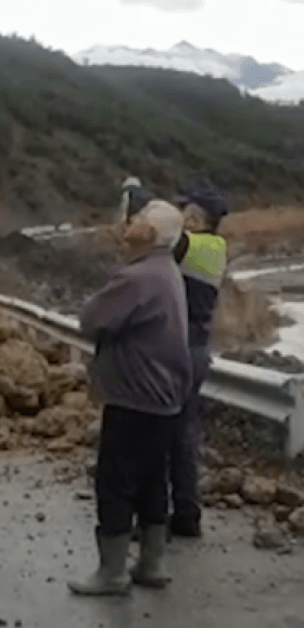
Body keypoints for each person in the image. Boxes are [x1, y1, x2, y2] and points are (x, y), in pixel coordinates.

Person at [68, 200, 191, 596]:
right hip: (165, 396)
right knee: (154, 479)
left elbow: (92, 319)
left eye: (138, 221)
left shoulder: (138, 277)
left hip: (133, 394)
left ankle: (112, 572)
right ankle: (151, 563)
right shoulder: (167, 271)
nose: (129, 224)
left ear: (150, 234)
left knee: (115, 480)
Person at [167, 182, 229, 538]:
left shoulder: (193, 246)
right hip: (197, 350)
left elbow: (157, 241)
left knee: (159, 432)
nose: (181, 218)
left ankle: (155, 516)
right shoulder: (215, 247)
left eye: (186, 213)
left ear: (198, 218)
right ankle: (187, 513)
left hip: (176, 350)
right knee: (184, 436)